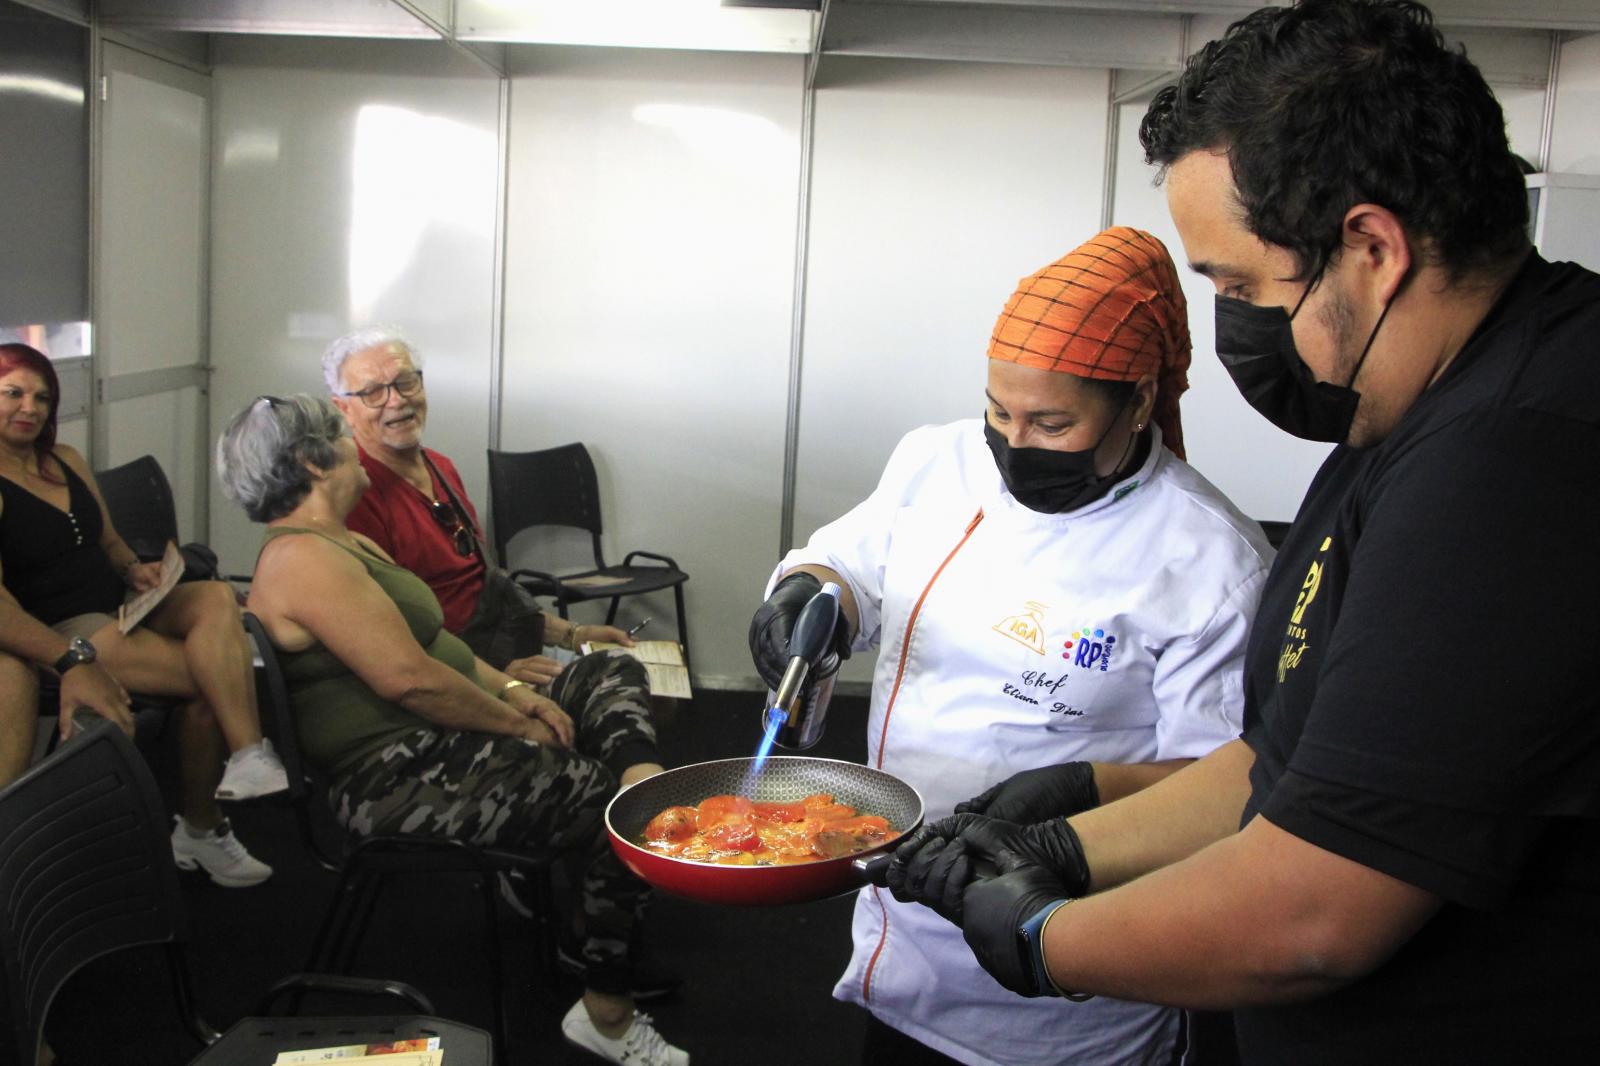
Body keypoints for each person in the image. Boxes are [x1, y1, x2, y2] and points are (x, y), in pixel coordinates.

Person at [887, 2, 1600, 1062]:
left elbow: (1315, 908)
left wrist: (1046, 936)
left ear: (1369, 247)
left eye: (1238, 284)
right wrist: (1067, 838)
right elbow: (1287, 761)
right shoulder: (1410, 407)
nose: (1230, 323)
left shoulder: (1516, 461)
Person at [749, 228, 1273, 1066]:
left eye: (1052, 421)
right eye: (999, 411)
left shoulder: (1210, 562)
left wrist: (1071, 813)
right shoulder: (937, 461)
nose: (1012, 442)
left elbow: (1226, 791)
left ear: (1138, 401)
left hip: (1066, 975)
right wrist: (816, 592)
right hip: (902, 929)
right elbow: (855, 560)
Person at [217, 394, 689, 1066]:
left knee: (607, 668)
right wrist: (515, 723)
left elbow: (439, 646)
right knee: (608, 807)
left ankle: (640, 775)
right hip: (390, 775)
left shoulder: (345, 541)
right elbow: (408, 679)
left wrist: (514, 690)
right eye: (343, 435)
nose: (358, 443)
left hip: (435, 740)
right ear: (312, 462)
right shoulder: (302, 560)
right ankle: (606, 1011)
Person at [0, 342, 280, 887]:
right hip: (64, 626)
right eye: (12, 394)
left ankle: (247, 753)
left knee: (215, 598)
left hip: (121, 603)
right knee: (209, 681)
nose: (28, 407)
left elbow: (107, 541)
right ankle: (203, 827)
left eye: (41, 396)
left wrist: (136, 570)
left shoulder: (65, 460)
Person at [322, 327, 636, 684]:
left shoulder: (442, 467)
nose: (396, 400)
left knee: (649, 681)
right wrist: (498, 680)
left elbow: (481, 593)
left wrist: (575, 634)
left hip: (500, 650)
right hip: (456, 674)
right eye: (373, 392)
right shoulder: (355, 494)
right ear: (344, 408)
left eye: (406, 382)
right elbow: (388, 641)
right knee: (621, 688)